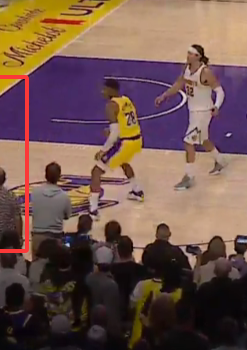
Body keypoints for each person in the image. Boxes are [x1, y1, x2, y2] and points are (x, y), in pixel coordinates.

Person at [155, 45, 228, 190]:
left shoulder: (205, 72)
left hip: (203, 112)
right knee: (203, 139)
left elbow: (220, 91)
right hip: (193, 111)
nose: (187, 55)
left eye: (191, 54)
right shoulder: (186, 68)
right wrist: (164, 95)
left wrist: (216, 106)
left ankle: (189, 177)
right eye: (187, 53)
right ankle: (220, 160)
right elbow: (179, 83)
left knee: (188, 142)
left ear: (198, 56)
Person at [88, 79, 144, 221]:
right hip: (137, 140)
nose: (102, 92)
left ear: (111, 90)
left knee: (96, 172)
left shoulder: (111, 105)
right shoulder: (126, 100)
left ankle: (93, 209)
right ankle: (137, 191)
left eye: (104, 89)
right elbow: (126, 123)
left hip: (125, 142)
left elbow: (114, 134)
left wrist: (103, 150)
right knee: (123, 161)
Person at [31, 162, 72, 251]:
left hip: (38, 236)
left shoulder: (35, 193)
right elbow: (67, 216)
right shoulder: (64, 196)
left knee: (37, 260)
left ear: (45, 175)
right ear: (59, 177)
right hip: (56, 238)